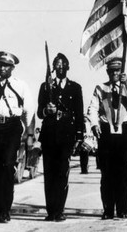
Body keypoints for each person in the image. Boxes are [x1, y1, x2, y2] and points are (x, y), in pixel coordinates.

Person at [0, 51, 34, 223]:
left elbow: (29, 109)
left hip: (12, 127)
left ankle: (5, 210)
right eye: (0, 65)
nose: (2, 68)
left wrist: (25, 130)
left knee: (7, 165)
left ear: (12, 68)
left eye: (6, 66)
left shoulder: (21, 85)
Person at [88, 57, 127, 220]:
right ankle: (108, 209)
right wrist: (94, 124)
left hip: (123, 133)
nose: (115, 74)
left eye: (117, 70)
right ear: (108, 72)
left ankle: (122, 209)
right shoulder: (101, 88)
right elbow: (92, 108)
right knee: (107, 173)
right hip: (106, 133)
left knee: (124, 173)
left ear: (121, 71)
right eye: (112, 71)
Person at [37, 53, 85, 222]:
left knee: (62, 173)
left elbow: (79, 113)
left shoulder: (75, 88)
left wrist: (80, 135)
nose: (59, 68)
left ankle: (60, 210)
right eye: (56, 65)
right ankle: (51, 211)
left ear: (67, 67)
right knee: (49, 174)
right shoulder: (45, 87)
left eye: (62, 65)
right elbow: (39, 112)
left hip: (66, 135)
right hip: (49, 135)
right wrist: (46, 110)